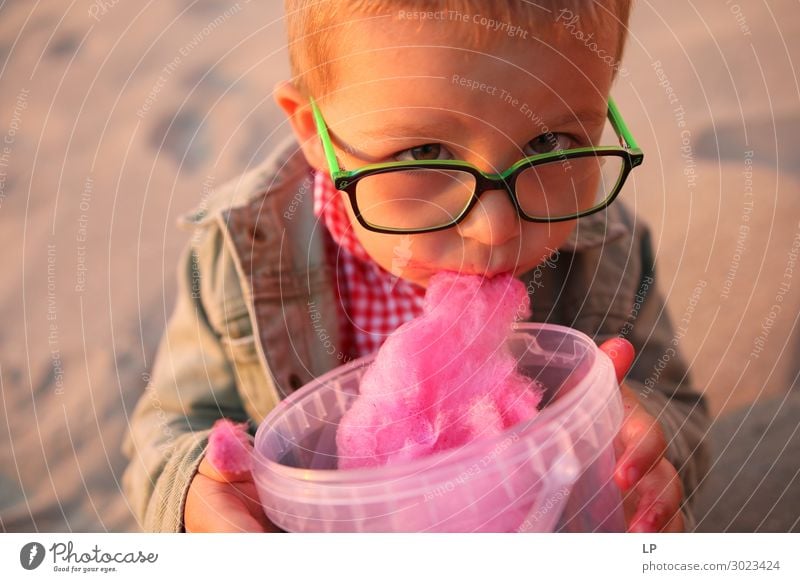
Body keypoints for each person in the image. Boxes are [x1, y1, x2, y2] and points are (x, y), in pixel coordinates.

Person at [122, 0, 709, 533]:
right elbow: (170, 425)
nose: (495, 227)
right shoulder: (240, 252)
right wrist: (195, 495)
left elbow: (676, 403)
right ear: (312, 130)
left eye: (551, 143)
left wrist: (644, 455)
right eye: (423, 153)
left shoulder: (608, 247)